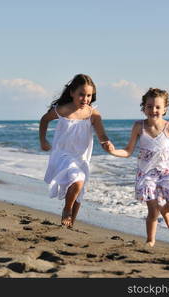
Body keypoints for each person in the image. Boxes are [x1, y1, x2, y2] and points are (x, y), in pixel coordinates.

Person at [105, 88, 169, 247]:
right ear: (143, 108)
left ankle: (165, 211)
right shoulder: (139, 126)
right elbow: (128, 151)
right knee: (152, 210)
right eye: (149, 106)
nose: (153, 110)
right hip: (146, 175)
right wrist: (113, 151)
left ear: (165, 109)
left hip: (166, 174)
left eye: (157, 107)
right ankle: (150, 240)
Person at [39, 74, 111, 228]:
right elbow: (44, 120)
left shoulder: (93, 114)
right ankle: (66, 210)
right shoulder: (62, 110)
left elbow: (101, 134)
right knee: (77, 180)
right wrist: (43, 140)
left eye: (89, 95)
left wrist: (106, 142)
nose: (85, 99)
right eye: (81, 94)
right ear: (72, 93)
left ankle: (70, 224)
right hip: (63, 154)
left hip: (82, 157)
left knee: (80, 189)